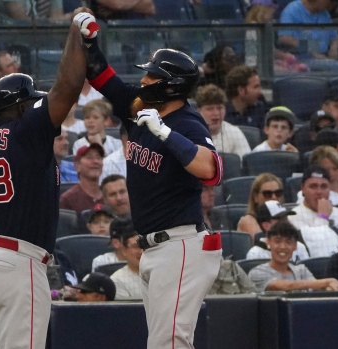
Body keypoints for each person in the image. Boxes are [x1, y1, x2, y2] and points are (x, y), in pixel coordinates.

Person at [77, 15, 223, 349]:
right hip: (154, 248)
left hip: (181, 245)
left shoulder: (188, 123)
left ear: (169, 85)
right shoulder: (141, 105)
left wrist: (166, 133)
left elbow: (212, 169)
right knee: (164, 342)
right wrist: (89, 42)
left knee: (169, 342)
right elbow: (103, 77)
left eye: (152, 75)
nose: (144, 79)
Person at [0, 10, 86, 348]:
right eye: (31, 101)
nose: (37, 107)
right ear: (19, 108)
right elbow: (69, 86)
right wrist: (75, 33)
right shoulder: (26, 130)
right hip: (14, 263)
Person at [248, 219, 338, 292]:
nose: (283, 247)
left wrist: (331, 288)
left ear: (295, 246)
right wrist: (329, 281)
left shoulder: (301, 270)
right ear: (268, 242)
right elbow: (287, 286)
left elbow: (318, 289)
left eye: (288, 242)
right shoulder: (257, 272)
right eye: (277, 241)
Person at [278, 0, 338, 72]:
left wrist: (333, 49)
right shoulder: (292, 9)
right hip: (300, 59)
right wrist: (312, 50)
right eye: (331, 1)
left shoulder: (324, 13)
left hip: (324, 57)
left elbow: (335, 37)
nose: (333, 5)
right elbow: (284, 38)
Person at [288, 165, 338, 257]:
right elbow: (316, 250)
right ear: (303, 189)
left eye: (324, 187)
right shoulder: (292, 217)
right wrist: (322, 217)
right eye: (313, 186)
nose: (319, 192)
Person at [195, 83, 251, 160]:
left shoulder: (235, 133)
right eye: (210, 109)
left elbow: (245, 166)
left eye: (219, 108)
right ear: (199, 111)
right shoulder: (189, 134)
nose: (216, 113)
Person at [245, 201, 310, 263]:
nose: (286, 223)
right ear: (266, 226)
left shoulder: (299, 247)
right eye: (281, 220)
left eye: (286, 218)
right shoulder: (255, 254)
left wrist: (321, 214)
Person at [59, 143, 105, 215]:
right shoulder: (67, 200)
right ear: (77, 166)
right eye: (90, 157)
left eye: (98, 158)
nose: (96, 161)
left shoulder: (109, 195)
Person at [237, 173, 285, 238]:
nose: (274, 197)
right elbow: (262, 242)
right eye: (267, 194)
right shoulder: (248, 220)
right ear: (255, 197)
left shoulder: (285, 217)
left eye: (278, 193)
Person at [224, 65, 268, 130]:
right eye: (255, 87)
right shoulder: (222, 113)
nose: (260, 92)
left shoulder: (259, 108)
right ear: (241, 90)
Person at [109, 218, 143, 300]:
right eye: (136, 246)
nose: (142, 251)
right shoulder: (117, 281)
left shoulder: (164, 274)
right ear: (124, 250)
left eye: (146, 246)